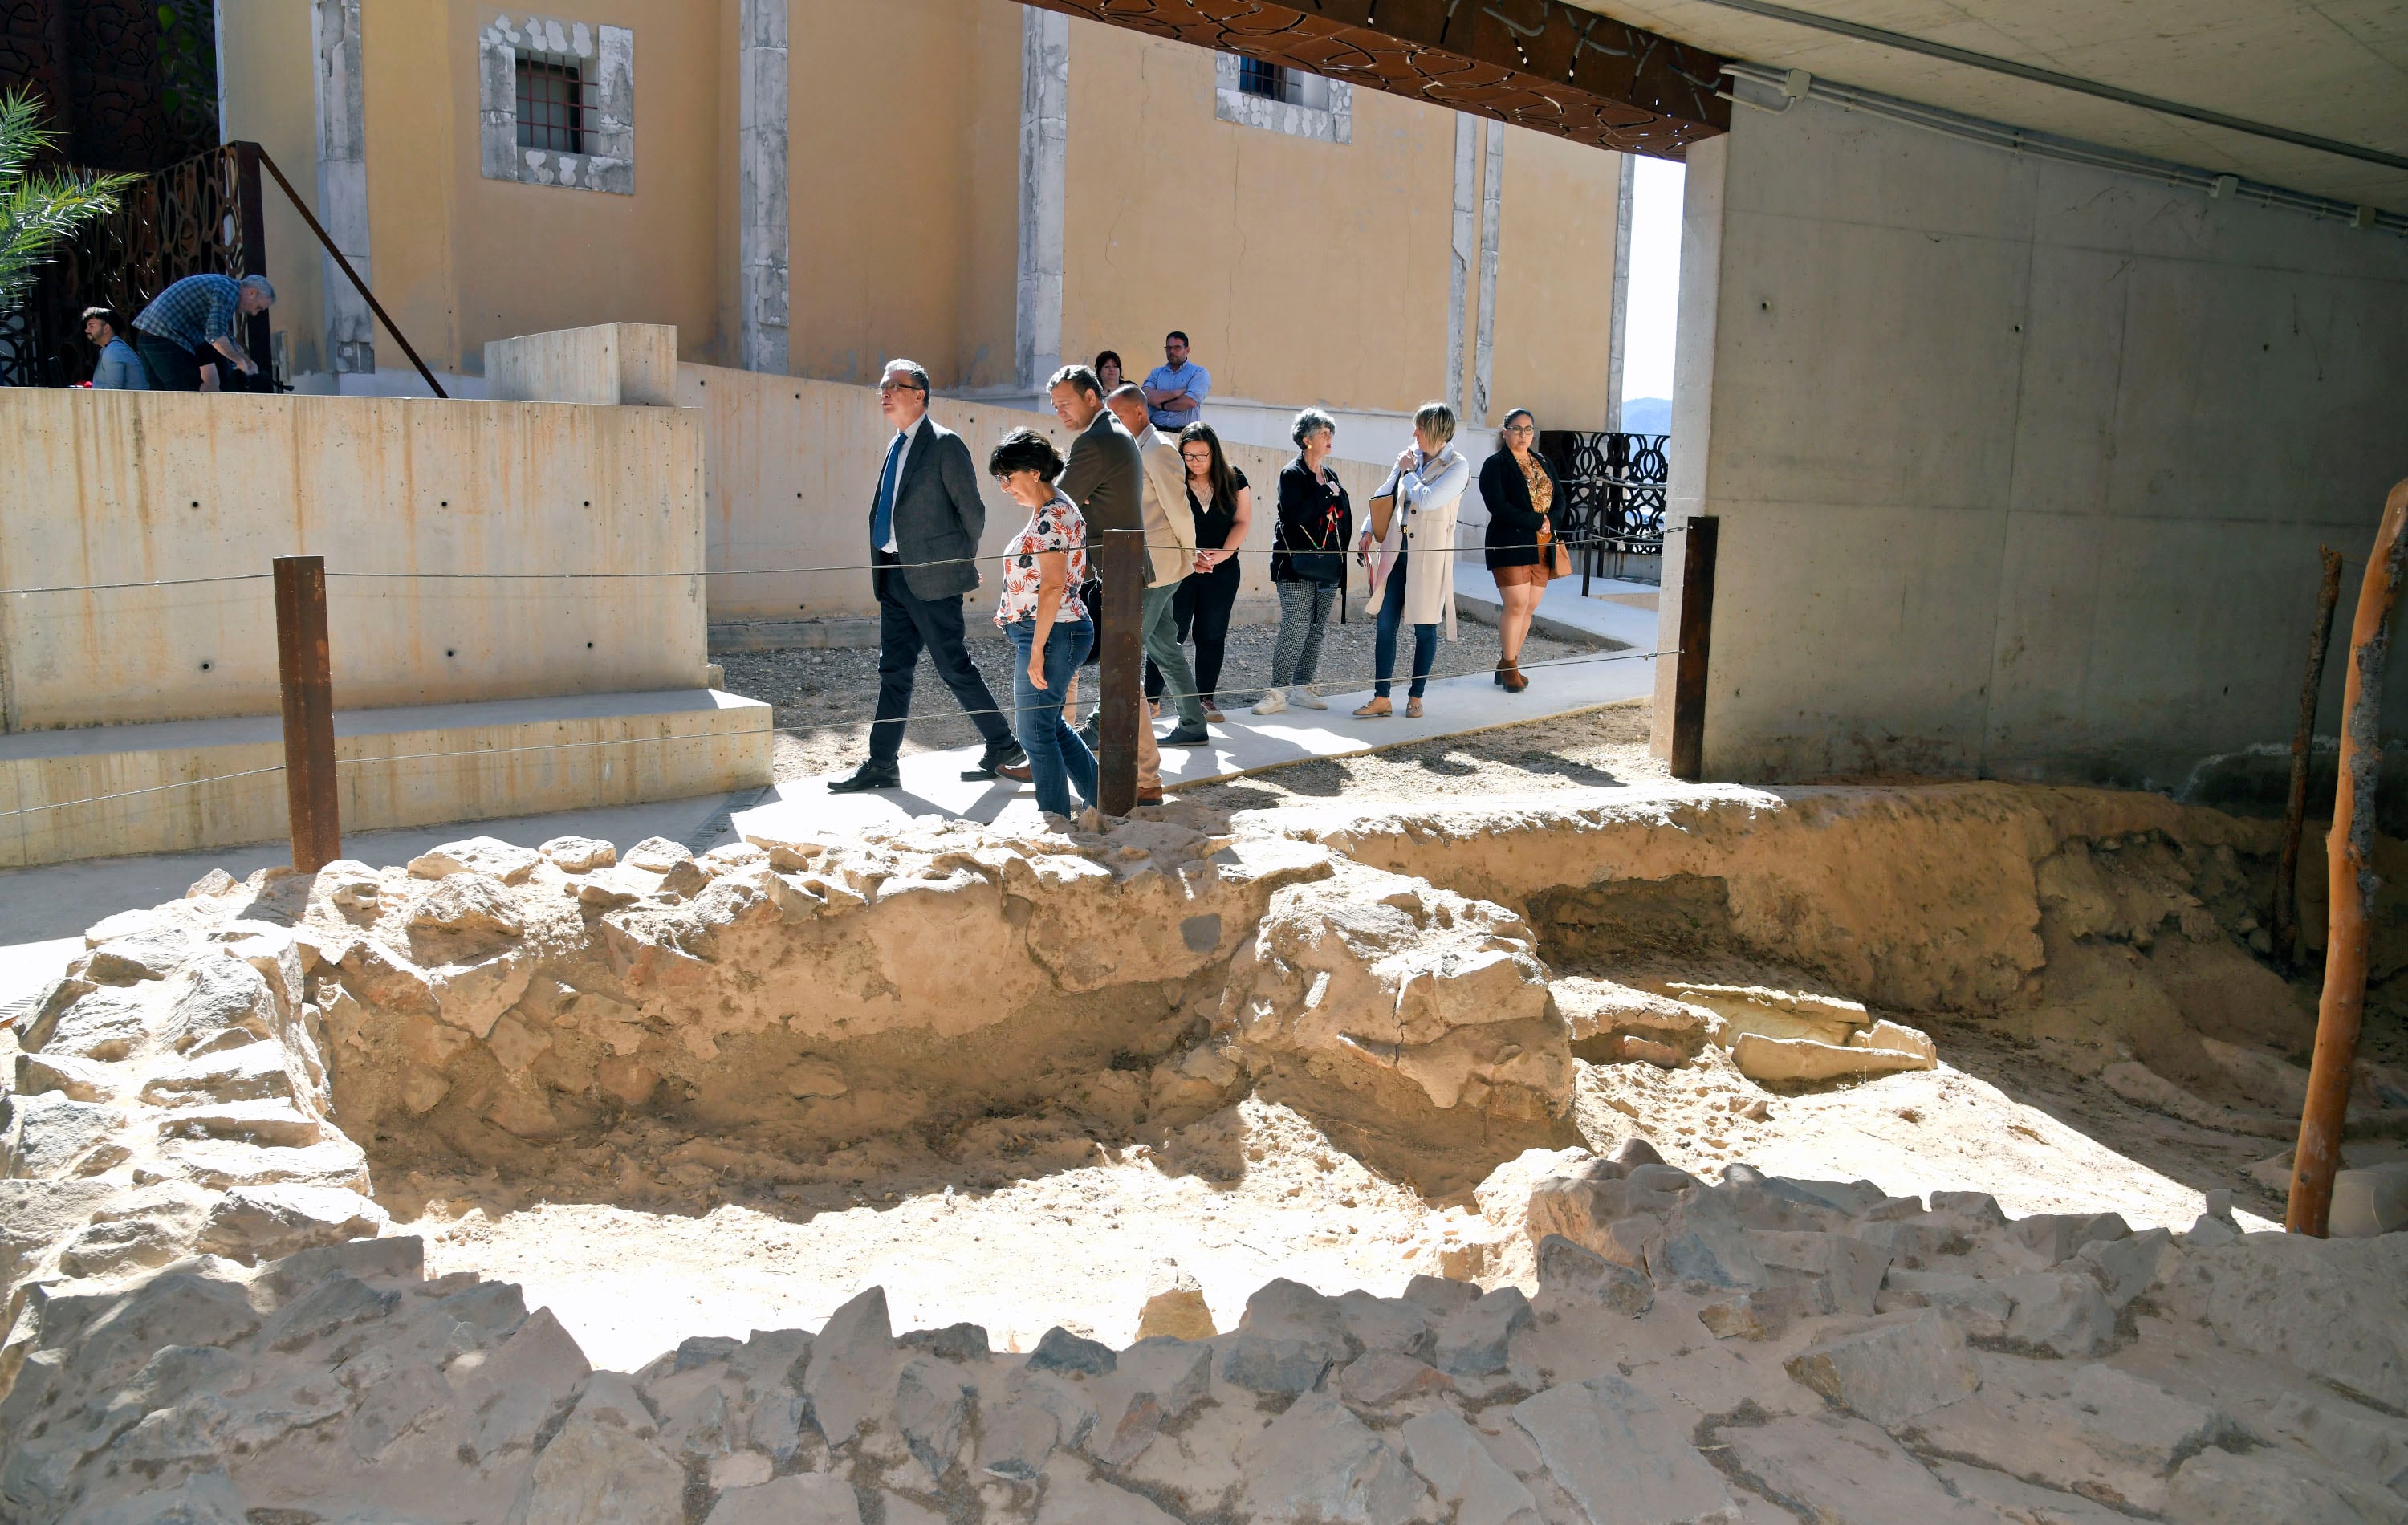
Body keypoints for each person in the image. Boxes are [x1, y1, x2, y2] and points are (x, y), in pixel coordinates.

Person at [829, 359, 1027, 793]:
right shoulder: (895, 445)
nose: (883, 392)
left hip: (932, 579)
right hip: (893, 573)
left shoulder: (944, 444)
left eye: (893, 386)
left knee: (952, 665)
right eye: (881, 385)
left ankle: (1004, 745)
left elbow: (972, 512)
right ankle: (882, 763)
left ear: (919, 394)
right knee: (893, 669)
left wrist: (953, 564)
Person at [986, 429, 1098, 819]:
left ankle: (1054, 817)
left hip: (1051, 635)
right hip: (1053, 632)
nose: (1004, 487)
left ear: (1033, 472)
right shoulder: (1051, 509)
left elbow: (1053, 585)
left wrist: (1036, 649)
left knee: (1035, 733)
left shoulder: (1053, 516)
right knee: (1050, 727)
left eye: (1007, 477)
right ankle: (1103, 802)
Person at [1356, 401, 1467, 719]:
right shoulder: (1410, 455)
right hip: (1395, 551)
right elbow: (1386, 492)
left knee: (1425, 627)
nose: (1414, 433)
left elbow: (1429, 500)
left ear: (1436, 432)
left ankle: (1416, 696)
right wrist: (1367, 529)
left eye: (1420, 428)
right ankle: (1381, 697)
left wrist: (1407, 472)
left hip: (1430, 557)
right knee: (1385, 625)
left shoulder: (1458, 467)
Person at [1253, 408, 1350, 715]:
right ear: (1306, 439)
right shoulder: (1292, 474)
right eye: (1324, 433)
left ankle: (1303, 686)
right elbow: (1297, 515)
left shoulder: (1331, 475)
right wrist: (1326, 495)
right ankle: (1278, 692)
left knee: (1317, 627)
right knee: (1295, 625)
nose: (1329, 437)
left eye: (1330, 432)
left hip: (1328, 564)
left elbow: (1342, 513)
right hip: (1295, 564)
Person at [1479, 408, 1564, 693]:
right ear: (1505, 432)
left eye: (1528, 429)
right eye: (1517, 429)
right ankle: (1510, 665)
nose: (1523, 435)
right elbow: (1499, 506)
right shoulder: (1495, 464)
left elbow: (1560, 498)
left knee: (1529, 606)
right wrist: (1537, 521)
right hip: (1510, 542)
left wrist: (1551, 520)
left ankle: (1507, 663)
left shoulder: (1542, 461)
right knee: (1515, 605)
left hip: (1543, 544)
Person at [1169, 423, 1249, 723]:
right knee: (1169, 633)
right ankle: (1151, 699)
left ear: (1214, 452)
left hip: (1222, 569)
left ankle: (1206, 699)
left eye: (1202, 455)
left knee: (1211, 635)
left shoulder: (1234, 478)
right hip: (1179, 568)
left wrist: (1224, 553)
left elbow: (1242, 521)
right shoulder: (1174, 478)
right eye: (1188, 456)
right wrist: (1189, 557)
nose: (1195, 462)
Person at [131, 272, 273, 392]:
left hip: (147, 336)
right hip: (165, 338)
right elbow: (215, 335)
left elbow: (222, 333)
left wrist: (247, 360)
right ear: (252, 292)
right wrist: (240, 361)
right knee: (186, 396)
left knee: (160, 397)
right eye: (258, 307)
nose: (254, 314)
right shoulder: (230, 292)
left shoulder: (223, 285)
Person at [1141, 331, 1211, 434]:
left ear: (1187, 350)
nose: (1172, 351)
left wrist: (1161, 404)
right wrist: (1176, 393)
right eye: (1169, 348)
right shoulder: (1156, 373)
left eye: (1177, 348)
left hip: (1184, 434)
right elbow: (1145, 395)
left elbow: (1190, 402)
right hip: (1156, 432)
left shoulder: (1198, 373)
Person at [83, 307, 148, 390]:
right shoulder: (112, 348)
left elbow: (114, 390)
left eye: (91, 326)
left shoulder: (114, 350)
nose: (87, 330)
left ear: (106, 328)